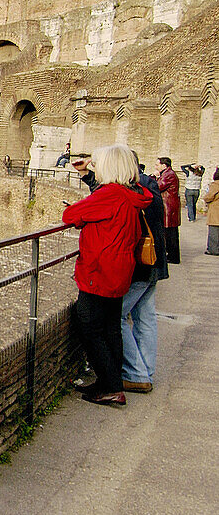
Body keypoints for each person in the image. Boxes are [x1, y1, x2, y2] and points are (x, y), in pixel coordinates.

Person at [64, 145, 153, 406]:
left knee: (89, 326)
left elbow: (70, 215)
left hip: (100, 269)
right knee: (111, 327)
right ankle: (109, 382)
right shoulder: (132, 193)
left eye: (98, 163)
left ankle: (112, 386)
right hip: (120, 268)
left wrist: (84, 217)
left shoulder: (111, 194)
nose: (95, 167)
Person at [81, 153, 168, 393]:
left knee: (117, 318)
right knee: (146, 318)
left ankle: (135, 374)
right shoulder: (145, 188)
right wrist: (87, 176)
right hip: (154, 263)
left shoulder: (130, 193)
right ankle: (144, 373)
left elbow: (100, 207)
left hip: (138, 267)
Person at [156, 157, 181, 264]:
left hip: (169, 207)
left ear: (164, 166)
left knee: (170, 233)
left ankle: (173, 256)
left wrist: (155, 177)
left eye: (158, 165)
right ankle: (171, 255)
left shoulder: (168, 175)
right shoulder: (167, 174)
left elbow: (158, 186)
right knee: (170, 233)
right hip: (169, 206)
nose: (156, 167)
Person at [204, 168, 219, 256]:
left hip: (215, 210)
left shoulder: (215, 185)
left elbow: (209, 196)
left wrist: (206, 199)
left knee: (214, 231)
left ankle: (213, 249)